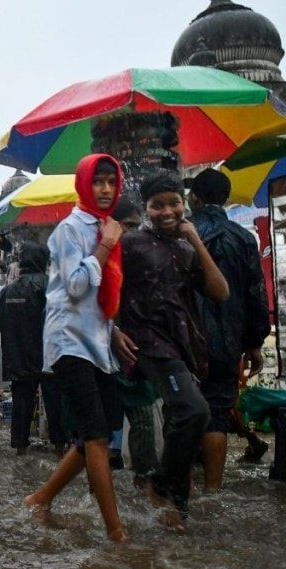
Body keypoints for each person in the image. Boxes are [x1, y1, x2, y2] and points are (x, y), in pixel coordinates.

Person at [113, 171, 228, 531]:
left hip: (181, 346)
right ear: (147, 209)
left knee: (191, 417)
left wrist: (194, 236)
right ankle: (159, 485)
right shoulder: (131, 243)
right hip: (146, 343)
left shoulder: (185, 247)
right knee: (193, 410)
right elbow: (106, 289)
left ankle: (175, 503)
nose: (167, 211)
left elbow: (220, 291)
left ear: (184, 203)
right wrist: (113, 330)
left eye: (174, 203)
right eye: (157, 205)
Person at [23, 153, 128, 543]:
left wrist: (115, 334)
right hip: (69, 342)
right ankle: (116, 532)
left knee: (92, 437)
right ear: (85, 184)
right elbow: (77, 286)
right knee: (98, 437)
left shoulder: (108, 227)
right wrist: (105, 247)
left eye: (111, 183)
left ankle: (41, 498)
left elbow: (103, 296)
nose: (105, 189)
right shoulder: (71, 229)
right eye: (98, 182)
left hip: (98, 343)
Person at [188, 167, 271, 491]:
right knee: (216, 414)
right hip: (226, 342)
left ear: (193, 197)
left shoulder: (181, 233)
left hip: (183, 341)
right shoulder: (244, 239)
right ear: (225, 199)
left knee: (181, 410)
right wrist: (253, 342)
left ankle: (182, 487)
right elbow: (255, 294)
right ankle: (212, 490)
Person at [0, 241, 64, 455]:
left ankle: (20, 448)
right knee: (55, 403)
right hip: (49, 355)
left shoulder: (5, 293)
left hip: (17, 356)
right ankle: (61, 448)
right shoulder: (50, 286)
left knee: (21, 404)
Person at [111, 198, 158, 486]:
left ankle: (145, 482)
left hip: (134, 357)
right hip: (99, 357)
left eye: (136, 226)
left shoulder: (142, 259)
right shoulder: (95, 257)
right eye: (128, 226)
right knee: (95, 433)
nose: (134, 232)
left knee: (142, 421)